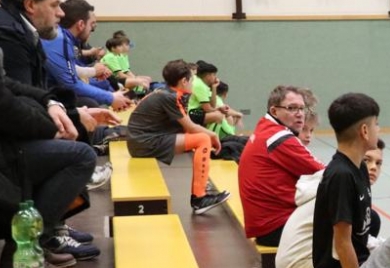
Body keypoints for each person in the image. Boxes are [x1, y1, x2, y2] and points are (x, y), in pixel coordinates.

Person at [0, 0, 94, 268]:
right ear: (31, 5)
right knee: (79, 155)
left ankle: (44, 236)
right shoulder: (6, 29)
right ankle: (25, 250)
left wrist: (51, 105)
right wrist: (54, 125)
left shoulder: (1, 27)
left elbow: (7, 87)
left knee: (75, 138)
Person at [126, 59, 230, 214]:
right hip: (143, 142)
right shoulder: (170, 97)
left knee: (199, 138)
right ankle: (199, 198)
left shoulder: (170, 93)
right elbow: (191, 127)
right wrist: (213, 135)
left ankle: (201, 185)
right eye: (192, 79)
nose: (193, 83)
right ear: (184, 81)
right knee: (203, 139)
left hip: (142, 139)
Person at [312, 93, 379, 268]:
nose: (379, 129)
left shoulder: (359, 168)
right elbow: (342, 243)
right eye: (376, 124)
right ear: (365, 131)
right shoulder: (340, 175)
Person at [239, 85, 326, 245]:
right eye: (292, 108)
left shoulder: (266, 126)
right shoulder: (278, 138)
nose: (300, 114)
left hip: (267, 223)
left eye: (302, 108)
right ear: (274, 111)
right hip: (275, 227)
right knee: (350, 214)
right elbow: (325, 173)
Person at [42, 0, 130, 110]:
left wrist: (93, 72)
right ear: (81, 24)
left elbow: (68, 68)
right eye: (91, 26)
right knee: (90, 103)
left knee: (99, 89)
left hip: (51, 91)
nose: (91, 30)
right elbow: (71, 84)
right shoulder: (61, 40)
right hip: (48, 96)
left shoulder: (62, 37)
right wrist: (110, 97)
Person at [210, 81, 249, 162]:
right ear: (225, 94)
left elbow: (227, 110)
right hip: (221, 139)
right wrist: (238, 114)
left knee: (245, 141)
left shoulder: (215, 101)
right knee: (246, 142)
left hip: (223, 137)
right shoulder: (216, 100)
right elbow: (227, 111)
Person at [364, 138, 385, 247]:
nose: (374, 167)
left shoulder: (365, 191)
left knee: (373, 218)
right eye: (366, 160)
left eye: (378, 163)